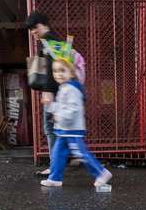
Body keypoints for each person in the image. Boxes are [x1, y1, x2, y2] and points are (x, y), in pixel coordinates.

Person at [40, 39, 111, 189]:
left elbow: (73, 109)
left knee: (81, 153)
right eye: (55, 71)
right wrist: (51, 106)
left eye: (62, 70)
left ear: (71, 72)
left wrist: (58, 114)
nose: (58, 74)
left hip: (72, 130)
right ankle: (55, 178)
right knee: (58, 154)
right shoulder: (65, 87)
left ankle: (101, 172)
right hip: (64, 130)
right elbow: (62, 107)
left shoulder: (72, 89)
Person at [26, 11, 86, 176]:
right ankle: (73, 156)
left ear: (44, 24)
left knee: (51, 129)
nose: (33, 32)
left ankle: (57, 166)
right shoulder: (54, 41)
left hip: (55, 93)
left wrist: (48, 91)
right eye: (30, 29)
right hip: (62, 93)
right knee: (61, 128)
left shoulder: (50, 43)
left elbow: (53, 71)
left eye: (34, 27)